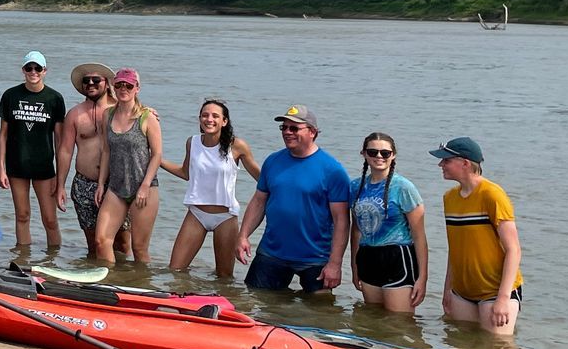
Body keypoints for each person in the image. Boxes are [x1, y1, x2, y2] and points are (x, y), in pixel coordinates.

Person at [235, 106, 352, 292]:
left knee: (321, 314)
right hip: (272, 252)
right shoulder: (273, 161)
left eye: (294, 128)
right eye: (284, 128)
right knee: (257, 302)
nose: (287, 132)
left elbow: (342, 221)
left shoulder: (333, 170)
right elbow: (259, 201)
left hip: (315, 257)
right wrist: (243, 236)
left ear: (312, 132)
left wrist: (335, 264)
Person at [432, 136, 522, 335]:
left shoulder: (492, 195)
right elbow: (455, 248)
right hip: (462, 293)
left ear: (464, 163)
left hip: (494, 291)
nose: (440, 164)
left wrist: (503, 298)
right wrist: (447, 290)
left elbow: (513, 249)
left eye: (446, 160)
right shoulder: (449, 198)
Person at [160, 99, 261, 275]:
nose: (209, 119)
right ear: (200, 119)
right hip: (196, 214)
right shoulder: (192, 143)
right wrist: (158, 160)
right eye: (205, 115)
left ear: (224, 121)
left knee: (224, 277)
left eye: (215, 116)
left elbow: (261, 178)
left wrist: (284, 187)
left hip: (225, 217)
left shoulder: (237, 146)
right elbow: (186, 173)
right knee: (175, 271)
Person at [349, 131, 428, 313]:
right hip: (367, 256)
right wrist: (354, 267)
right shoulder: (355, 187)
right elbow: (356, 230)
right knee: (373, 318)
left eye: (385, 153)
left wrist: (422, 278)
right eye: (372, 152)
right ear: (363, 154)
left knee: (399, 323)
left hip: (397, 256)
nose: (379, 156)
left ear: (393, 156)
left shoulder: (403, 188)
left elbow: (419, 235)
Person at [91, 69, 163, 266]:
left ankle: (143, 289)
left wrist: (145, 186)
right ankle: (109, 284)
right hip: (116, 187)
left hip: (144, 187)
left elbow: (157, 154)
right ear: (113, 87)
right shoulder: (108, 114)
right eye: (119, 84)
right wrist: (100, 184)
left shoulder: (147, 117)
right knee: (101, 241)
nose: (124, 89)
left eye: (129, 85)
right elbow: (106, 150)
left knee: (139, 249)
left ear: (137, 88)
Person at [0, 51, 65, 256]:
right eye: (29, 68)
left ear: (45, 71)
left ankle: (54, 261)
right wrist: (1, 169)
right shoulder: (11, 95)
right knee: (22, 215)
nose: (33, 72)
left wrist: (61, 178)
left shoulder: (54, 98)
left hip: (44, 167)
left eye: (38, 68)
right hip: (17, 166)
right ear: (23, 70)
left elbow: (60, 141)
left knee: (50, 219)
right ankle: (23, 262)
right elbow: (3, 135)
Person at [56, 62, 113, 255]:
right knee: (93, 244)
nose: (91, 83)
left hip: (115, 184)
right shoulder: (75, 114)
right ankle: (94, 280)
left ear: (106, 83)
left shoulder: (120, 110)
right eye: (86, 81)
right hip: (83, 183)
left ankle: (123, 280)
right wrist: (60, 186)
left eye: (96, 80)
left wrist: (149, 112)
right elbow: (65, 150)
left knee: (122, 242)